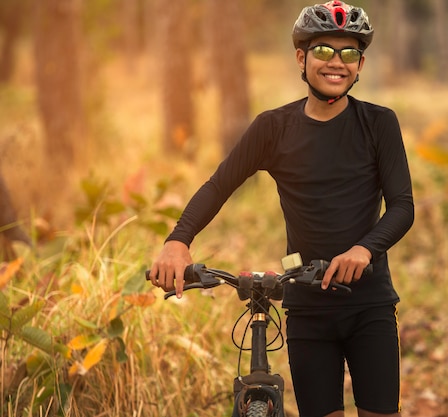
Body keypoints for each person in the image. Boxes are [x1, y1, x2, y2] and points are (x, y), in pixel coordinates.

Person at [148, 1, 414, 416]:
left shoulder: (379, 123)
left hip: (370, 305)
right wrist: (178, 241)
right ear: (301, 57)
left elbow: (402, 206)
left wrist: (364, 249)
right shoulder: (273, 128)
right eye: (325, 51)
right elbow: (219, 185)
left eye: (349, 54)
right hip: (307, 308)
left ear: (360, 65)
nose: (337, 64)